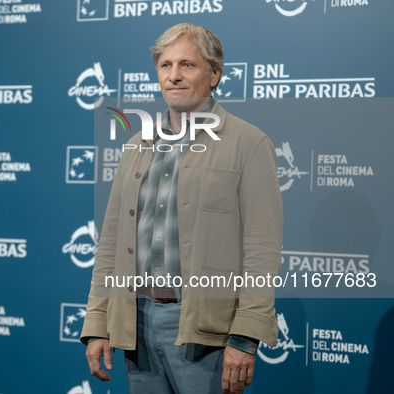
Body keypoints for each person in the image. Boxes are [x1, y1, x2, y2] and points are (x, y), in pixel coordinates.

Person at [80, 23, 283, 394]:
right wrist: (97, 323)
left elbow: (262, 250)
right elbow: (110, 243)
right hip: (134, 326)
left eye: (187, 65)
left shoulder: (249, 144)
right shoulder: (136, 145)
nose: (174, 76)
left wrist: (246, 335)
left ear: (215, 74)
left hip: (206, 333)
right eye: (165, 65)